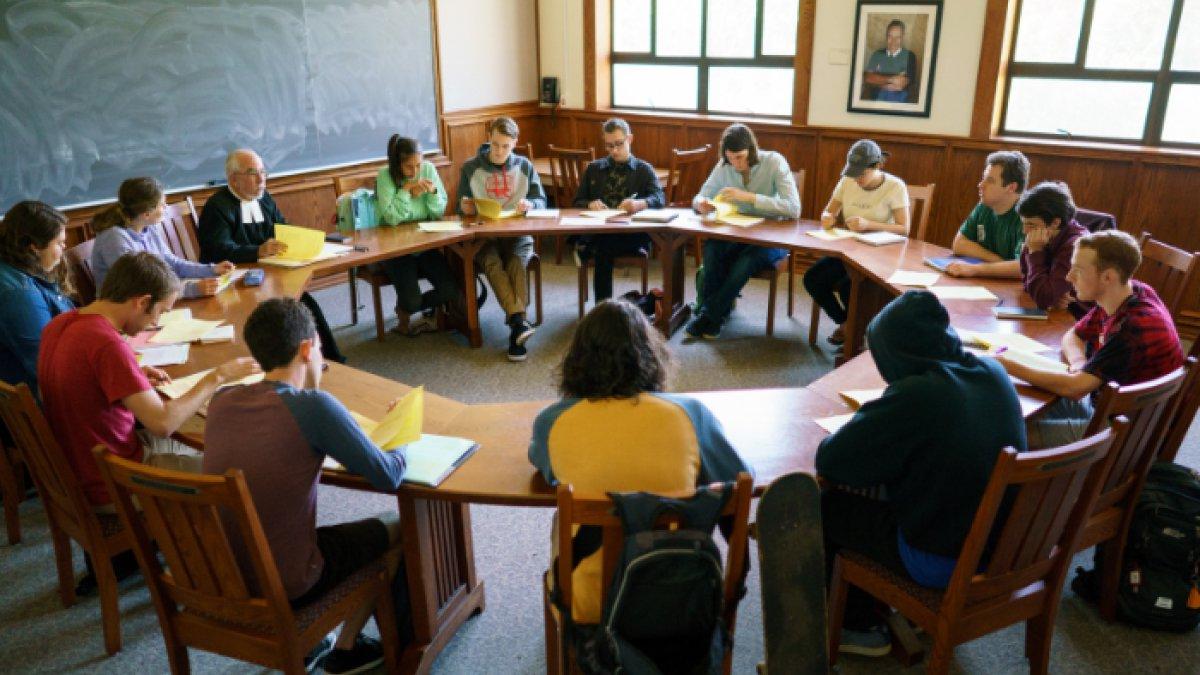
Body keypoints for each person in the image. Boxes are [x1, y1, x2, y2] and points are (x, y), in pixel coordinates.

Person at [816, 290, 1026, 656]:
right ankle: (890, 609)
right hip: (1003, 545)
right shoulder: (991, 370)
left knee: (828, 506)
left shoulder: (918, 394)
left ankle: (860, 626)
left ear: (897, 355)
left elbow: (832, 461)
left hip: (943, 561)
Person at [204, 297, 408, 673]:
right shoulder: (313, 405)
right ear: (306, 348)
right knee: (399, 529)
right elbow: (388, 475)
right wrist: (401, 434)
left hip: (222, 574)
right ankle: (346, 650)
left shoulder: (221, 400)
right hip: (289, 582)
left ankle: (316, 644)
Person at [529, 299, 750, 624]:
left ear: (577, 361)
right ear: (652, 356)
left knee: (565, 516)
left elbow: (546, 470)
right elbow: (741, 477)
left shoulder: (552, 421)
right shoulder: (691, 414)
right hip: (685, 595)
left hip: (593, 604)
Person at [996, 230, 1184, 448]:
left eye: (1077, 270)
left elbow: (1076, 389)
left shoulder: (1132, 329)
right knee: (1006, 410)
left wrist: (1006, 365)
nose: (1068, 277)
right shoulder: (1128, 293)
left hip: (1118, 434)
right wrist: (1078, 362)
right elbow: (1073, 334)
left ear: (1108, 277)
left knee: (1001, 438)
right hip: (1103, 405)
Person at [197, 148, 347, 363]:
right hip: (234, 282)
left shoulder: (264, 198)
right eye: (252, 173)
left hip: (270, 275)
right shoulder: (217, 206)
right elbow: (217, 250)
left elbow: (281, 228)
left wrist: (302, 242)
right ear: (234, 179)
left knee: (305, 305)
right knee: (297, 306)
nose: (261, 179)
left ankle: (330, 359)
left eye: (263, 172)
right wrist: (257, 251)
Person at [686, 123, 800, 339]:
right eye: (730, 158)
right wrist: (701, 203)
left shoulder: (774, 162)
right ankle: (716, 314)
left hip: (771, 237)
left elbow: (794, 208)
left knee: (746, 262)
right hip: (736, 232)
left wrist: (749, 198)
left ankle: (710, 316)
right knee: (711, 250)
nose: (735, 164)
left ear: (751, 149)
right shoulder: (724, 165)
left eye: (739, 157)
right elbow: (699, 196)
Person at [457, 117, 547, 361]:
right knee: (493, 264)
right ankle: (518, 323)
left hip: (517, 233)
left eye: (506, 146)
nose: (499, 151)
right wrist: (465, 208)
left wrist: (531, 203)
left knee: (517, 263)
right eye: (495, 145)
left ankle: (516, 323)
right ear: (489, 138)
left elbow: (542, 201)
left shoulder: (525, 166)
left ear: (515, 144)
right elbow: (460, 206)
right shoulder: (470, 167)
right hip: (485, 237)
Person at [803, 139, 909, 348]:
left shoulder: (895, 186)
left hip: (880, 254)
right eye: (854, 173)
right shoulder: (847, 181)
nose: (857, 179)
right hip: (848, 250)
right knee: (812, 278)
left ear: (877, 166)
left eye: (862, 174)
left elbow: (904, 229)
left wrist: (868, 224)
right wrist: (827, 218)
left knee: (849, 286)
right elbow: (829, 211)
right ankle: (848, 325)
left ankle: (858, 338)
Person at [571, 118, 666, 303]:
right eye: (608, 146)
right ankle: (604, 307)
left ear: (630, 139)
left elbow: (660, 198)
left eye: (619, 144)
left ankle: (602, 306)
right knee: (603, 244)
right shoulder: (594, 168)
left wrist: (640, 204)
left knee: (602, 248)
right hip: (601, 229)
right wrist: (590, 204)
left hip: (632, 234)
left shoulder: (643, 169)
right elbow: (577, 201)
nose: (614, 150)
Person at [91, 177, 234, 298]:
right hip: (125, 308)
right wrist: (191, 289)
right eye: (162, 204)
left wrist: (211, 270)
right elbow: (139, 285)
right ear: (146, 213)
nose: (166, 207)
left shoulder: (148, 227)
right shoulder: (114, 238)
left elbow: (172, 263)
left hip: (153, 301)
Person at [374, 134, 459, 336]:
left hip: (424, 242)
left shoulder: (428, 169)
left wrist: (433, 193)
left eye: (419, 165)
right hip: (395, 248)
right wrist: (405, 192)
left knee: (450, 289)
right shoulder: (385, 176)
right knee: (413, 300)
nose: (415, 172)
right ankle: (409, 307)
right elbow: (391, 218)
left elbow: (437, 212)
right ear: (397, 165)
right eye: (409, 167)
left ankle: (406, 309)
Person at [0, 201, 74, 396]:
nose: (64, 247)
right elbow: (47, 365)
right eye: (59, 243)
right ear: (34, 247)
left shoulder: (18, 269)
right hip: (46, 399)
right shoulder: (19, 294)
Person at [944, 151, 1030, 279]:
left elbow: (1022, 268)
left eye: (990, 180)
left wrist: (975, 270)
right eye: (983, 178)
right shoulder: (984, 205)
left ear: (1011, 187)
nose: (980, 185)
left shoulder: (1029, 216)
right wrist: (1000, 262)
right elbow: (959, 244)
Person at [1016, 181, 1090, 312]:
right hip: (1058, 313)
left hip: (1080, 319)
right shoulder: (1044, 237)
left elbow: (1043, 298)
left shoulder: (1075, 246)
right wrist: (1049, 294)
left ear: (1055, 222)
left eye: (1031, 225)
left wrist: (1035, 252)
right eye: (1024, 223)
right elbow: (1027, 283)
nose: (1024, 231)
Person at [863, 19, 919, 103]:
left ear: (903, 37)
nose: (893, 41)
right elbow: (868, 78)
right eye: (890, 36)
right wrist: (891, 79)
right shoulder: (877, 54)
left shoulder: (910, 55)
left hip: (899, 99)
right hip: (877, 99)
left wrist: (879, 80)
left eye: (897, 37)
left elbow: (902, 83)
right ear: (886, 36)